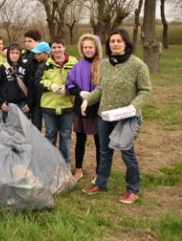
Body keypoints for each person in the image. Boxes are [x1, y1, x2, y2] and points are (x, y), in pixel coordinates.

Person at [82, 28, 152, 204]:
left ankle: (133, 189)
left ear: (126, 44)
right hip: (105, 116)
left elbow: (145, 90)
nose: (115, 44)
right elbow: (101, 88)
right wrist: (88, 100)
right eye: (112, 41)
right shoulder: (105, 65)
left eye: (119, 41)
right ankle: (101, 183)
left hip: (126, 117)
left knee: (127, 153)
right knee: (105, 151)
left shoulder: (138, 65)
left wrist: (133, 107)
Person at [66, 34, 102, 182]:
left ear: (96, 48)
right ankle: (79, 169)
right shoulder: (77, 65)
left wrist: (93, 98)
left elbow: (105, 87)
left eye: (90, 47)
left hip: (98, 108)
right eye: (85, 47)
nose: (87, 49)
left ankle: (99, 173)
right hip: (80, 107)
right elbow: (69, 85)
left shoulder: (104, 65)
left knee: (99, 142)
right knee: (80, 139)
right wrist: (80, 92)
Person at [40, 37, 77, 166]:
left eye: (59, 47)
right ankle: (48, 164)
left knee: (66, 136)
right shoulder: (46, 64)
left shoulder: (74, 63)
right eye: (54, 47)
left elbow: (78, 80)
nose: (57, 50)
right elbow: (38, 80)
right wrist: (50, 85)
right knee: (50, 135)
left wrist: (68, 88)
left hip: (67, 105)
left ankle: (65, 165)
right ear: (51, 49)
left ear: (64, 47)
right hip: (49, 105)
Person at [0, 43, 32, 122]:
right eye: (12, 53)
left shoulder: (26, 67)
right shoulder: (2, 67)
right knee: (7, 130)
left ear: (20, 54)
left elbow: (31, 87)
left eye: (17, 53)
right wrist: (1, 102)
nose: (14, 55)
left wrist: (29, 103)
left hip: (22, 104)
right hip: (7, 104)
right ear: (8, 54)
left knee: (22, 129)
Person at [22, 30, 42, 125]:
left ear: (37, 41)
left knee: (36, 126)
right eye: (25, 41)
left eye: (30, 41)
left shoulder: (41, 56)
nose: (27, 43)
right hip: (25, 95)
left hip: (37, 97)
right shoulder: (23, 55)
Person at [31, 42, 51, 131]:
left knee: (50, 129)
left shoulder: (51, 66)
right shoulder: (37, 64)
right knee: (36, 126)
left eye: (38, 54)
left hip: (48, 101)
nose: (36, 56)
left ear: (46, 53)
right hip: (37, 100)